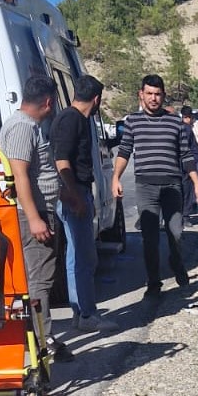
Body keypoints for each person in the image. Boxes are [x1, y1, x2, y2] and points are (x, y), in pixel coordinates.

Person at [112, 74, 198, 300]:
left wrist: (197, 184)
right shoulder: (132, 122)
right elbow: (124, 151)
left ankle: (176, 262)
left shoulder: (175, 122)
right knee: (150, 238)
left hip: (172, 186)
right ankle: (154, 282)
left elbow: (186, 155)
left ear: (163, 96)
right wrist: (115, 178)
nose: (154, 98)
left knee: (176, 233)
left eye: (158, 94)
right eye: (149, 94)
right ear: (141, 95)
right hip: (146, 187)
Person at [0, 76, 72, 359]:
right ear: (48, 102)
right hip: (32, 215)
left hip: (41, 210)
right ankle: (42, 342)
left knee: (41, 278)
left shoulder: (27, 126)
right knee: (38, 280)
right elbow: (19, 175)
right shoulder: (22, 127)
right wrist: (34, 218)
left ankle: (43, 336)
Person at [52, 74, 117, 333]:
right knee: (84, 257)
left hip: (73, 192)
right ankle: (88, 314)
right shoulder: (73, 120)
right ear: (97, 99)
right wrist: (74, 194)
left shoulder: (69, 117)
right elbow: (62, 160)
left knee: (75, 257)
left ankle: (80, 312)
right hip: (74, 192)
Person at [180, 107, 198, 216]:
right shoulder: (180, 126)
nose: (186, 119)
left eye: (188, 117)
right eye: (184, 117)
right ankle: (188, 206)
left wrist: (193, 138)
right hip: (184, 159)